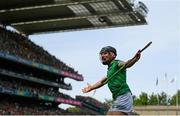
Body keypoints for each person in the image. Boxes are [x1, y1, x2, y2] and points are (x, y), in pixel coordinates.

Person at [82, 46, 141, 115]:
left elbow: (126, 64)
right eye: (101, 54)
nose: (102, 56)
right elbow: (102, 82)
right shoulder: (110, 70)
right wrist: (91, 87)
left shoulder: (117, 63)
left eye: (105, 53)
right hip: (117, 98)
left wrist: (135, 59)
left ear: (113, 55)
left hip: (123, 95)